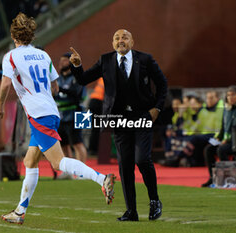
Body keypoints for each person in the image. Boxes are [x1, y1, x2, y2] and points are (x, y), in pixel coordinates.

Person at [0, 13, 115, 224]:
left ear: (13, 35)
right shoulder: (42, 55)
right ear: (32, 34)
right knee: (30, 161)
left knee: (57, 162)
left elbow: (6, 84)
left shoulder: (10, 57)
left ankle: (102, 178)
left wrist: (0, 107)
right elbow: (55, 86)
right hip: (51, 111)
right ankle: (19, 212)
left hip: (38, 115)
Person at [69, 29, 167, 221]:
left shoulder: (145, 59)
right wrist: (77, 66)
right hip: (118, 119)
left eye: (124, 37)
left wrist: (157, 108)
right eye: (116, 38)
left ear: (132, 41)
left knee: (142, 159)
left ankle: (154, 200)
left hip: (142, 116)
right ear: (112, 43)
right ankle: (131, 211)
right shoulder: (105, 60)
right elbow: (83, 79)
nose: (120, 40)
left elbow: (162, 84)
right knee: (125, 165)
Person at [201, 85, 236, 187]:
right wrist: (218, 138)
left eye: (233, 95)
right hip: (227, 141)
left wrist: (228, 140)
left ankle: (229, 178)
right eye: (228, 95)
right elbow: (223, 127)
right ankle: (213, 178)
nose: (230, 97)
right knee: (208, 149)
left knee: (221, 150)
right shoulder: (227, 109)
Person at [55, 52, 88, 179]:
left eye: (64, 61)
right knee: (64, 144)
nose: (61, 63)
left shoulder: (76, 77)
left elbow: (77, 95)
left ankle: (82, 172)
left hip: (77, 113)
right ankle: (68, 171)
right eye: (60, 61)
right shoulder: (58, 78)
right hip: (61, 114)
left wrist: (60, 90)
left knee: (78, 143)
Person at [87, 78, 104, 155]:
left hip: (93, 101)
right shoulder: (111, 76)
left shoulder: (102, 77)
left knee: (95, 127)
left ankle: (92, 148)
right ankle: (94, 149)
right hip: (98, 102)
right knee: (97, 127)